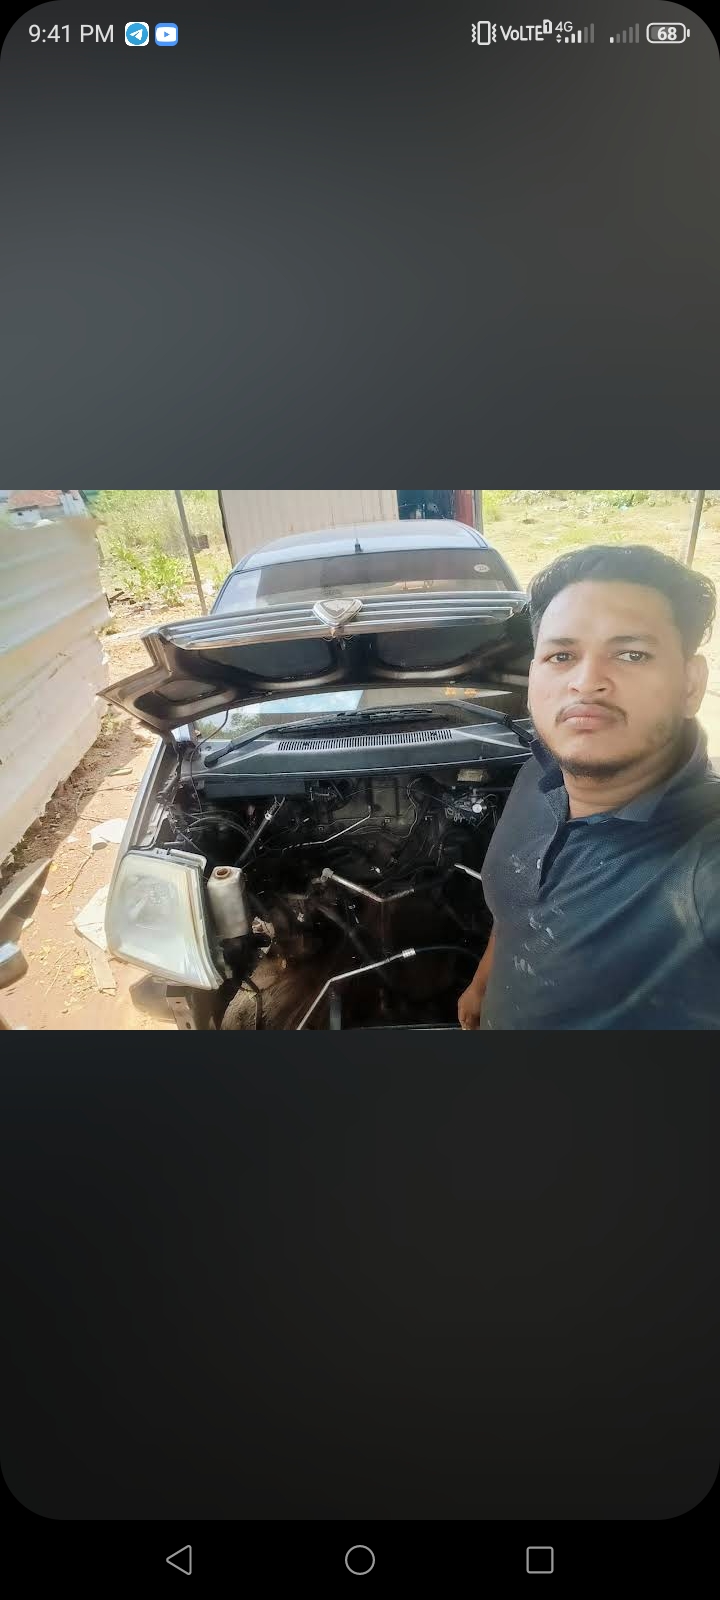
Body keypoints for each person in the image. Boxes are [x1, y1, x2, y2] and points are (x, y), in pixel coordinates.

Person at [457, 544, 720, 1030]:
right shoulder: (540, 772)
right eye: (561, 655)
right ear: (533, 677)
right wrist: (485, 981)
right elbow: (518, 904)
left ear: (690, 684)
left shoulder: (705, 865)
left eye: (631, 654)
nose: (587, 681)